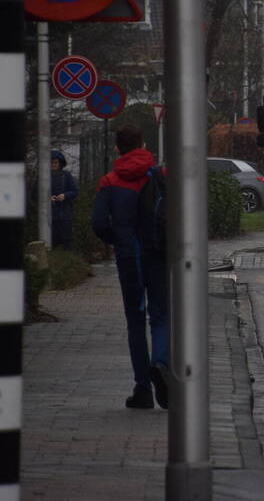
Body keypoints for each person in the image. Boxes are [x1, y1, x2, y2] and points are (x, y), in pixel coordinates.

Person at [91, 125, 169, 409]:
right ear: (143, 145)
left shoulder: (110, 181)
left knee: (135, 321)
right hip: (157, 254)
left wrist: (119, 240)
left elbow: (98, 223)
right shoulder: (158, 175)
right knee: (161, 316)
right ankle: (161, 365)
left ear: (117, 149)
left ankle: (142, 389)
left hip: (129, 259)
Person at [49, 150, 78, 249]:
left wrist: (65, 195)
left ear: (60, 163)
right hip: (49, 216)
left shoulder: (66, 175)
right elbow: (35, 194)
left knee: (67, 242)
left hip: (64, 214)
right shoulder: (43, 177)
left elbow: (74, 191)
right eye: (51, 162)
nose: (53, 164)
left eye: (55, 162)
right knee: (51, 242)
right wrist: (48, 198)